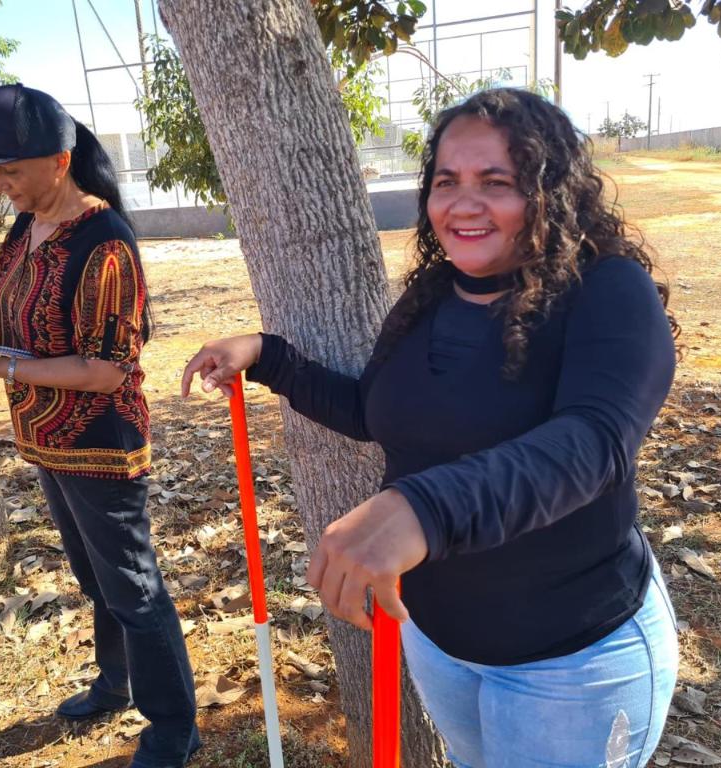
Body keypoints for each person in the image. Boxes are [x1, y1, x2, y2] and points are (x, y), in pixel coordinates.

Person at [182, 88, 679, 767]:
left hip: (571, 660)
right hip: (439, 643)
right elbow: (374, 412)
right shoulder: (430, 299)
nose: (463, 204)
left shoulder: (608, 291)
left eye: (496, 182)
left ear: (549, 190)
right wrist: (269, 357)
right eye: (446, 182)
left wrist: (422, 509)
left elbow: (594, 443)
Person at [0, 84, 199, 768]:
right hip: (47, 440)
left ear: (59, 162)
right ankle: (116, 683)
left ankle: (174, 729)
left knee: (134, 588)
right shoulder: (26, 228)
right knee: (97, 580)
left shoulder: (104, 243)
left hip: (100, 445)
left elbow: (107, 370)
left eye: (10, 169)